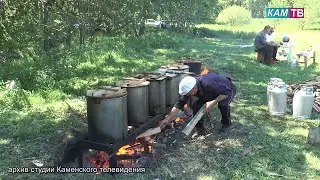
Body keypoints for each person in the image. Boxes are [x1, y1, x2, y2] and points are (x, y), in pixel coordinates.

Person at [159, 73, 236, 134]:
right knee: (196, 106)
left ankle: (226, 124)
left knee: (223, 105)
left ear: (195, 88)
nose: (188, 95)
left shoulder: (207, 83)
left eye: (189, 93)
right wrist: (167, 119)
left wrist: (212, 102)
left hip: (228, 89)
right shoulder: (191, 88)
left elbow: (226, 92)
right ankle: (200, 129)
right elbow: (179, 105)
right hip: (211, 92)